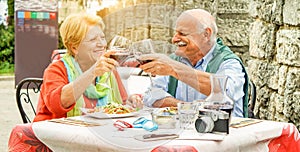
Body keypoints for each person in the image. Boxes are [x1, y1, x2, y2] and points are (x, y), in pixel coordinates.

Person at [136, 9, 249, 117]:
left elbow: (224, 92)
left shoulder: (229, 62)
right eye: (176, 33)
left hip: (225, 133)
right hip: (185, 132)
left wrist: (174, 69)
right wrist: (188, 107)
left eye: (182, 33)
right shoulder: (176, 60)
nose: (174, 39)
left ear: (206, 34)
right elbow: (151, 96)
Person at [33, 13, 141, 122]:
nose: (102, 44)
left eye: (102, 38)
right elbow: (58, 104)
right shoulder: (57, 69)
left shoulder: (109, 69)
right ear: (74, 47)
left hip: (99, 131)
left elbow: (121, 103)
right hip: (56, 134)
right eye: (93, 39)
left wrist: (131, 101)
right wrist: (92, 72)